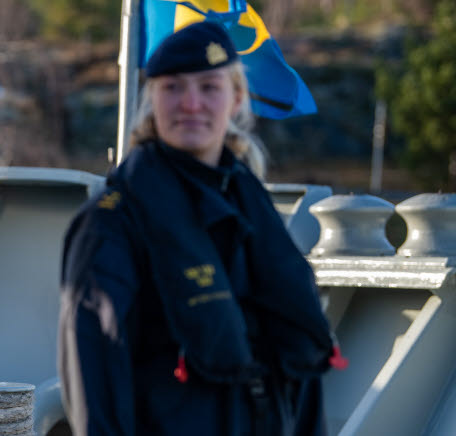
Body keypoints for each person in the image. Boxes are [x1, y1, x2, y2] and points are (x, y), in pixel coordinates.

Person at [58, 21, 344, 436]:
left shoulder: (252, 212)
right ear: (152, 98)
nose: (191, 104)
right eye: (173, 88)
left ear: (236, 98)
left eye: (209, 87)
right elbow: (95, 374)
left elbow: (298, 366)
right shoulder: (113, 221)